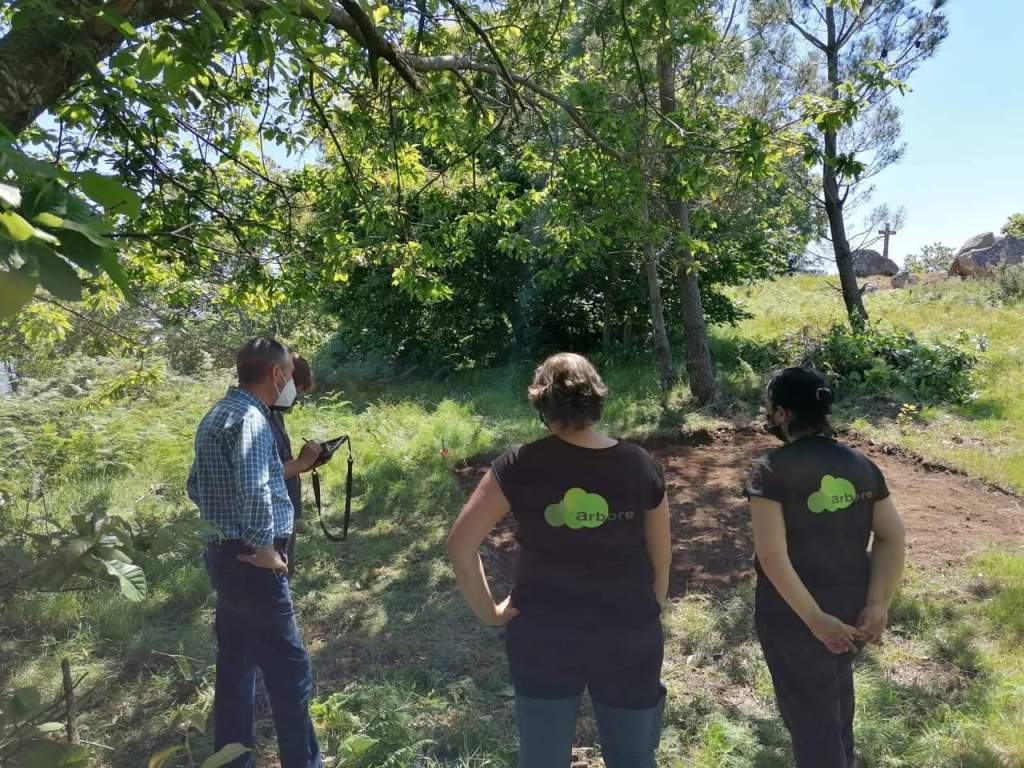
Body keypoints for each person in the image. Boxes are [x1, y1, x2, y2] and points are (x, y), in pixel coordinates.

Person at [446, 353, 672, 768]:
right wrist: (651, 607)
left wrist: (491, 614)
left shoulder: (519, 464)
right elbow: (662, 557)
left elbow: (461, 546)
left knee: (542, 758)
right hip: (629, 633)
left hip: (543, 636)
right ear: (597, 399)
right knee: (634, 757)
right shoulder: (640, 464)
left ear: (542, 404)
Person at [746, 367, 906, 768]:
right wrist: (877, 604)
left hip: (793, 619)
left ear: (781, 414)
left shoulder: (770, 469)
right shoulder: (860, 463)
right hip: (852, 610)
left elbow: (772, 555)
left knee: (811, 722)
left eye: (770, 409)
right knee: (834, 698)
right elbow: (892, 536)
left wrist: (815, 620)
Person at [187, 337, 324, 768]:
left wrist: (225, 525)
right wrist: (264, 548)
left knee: (236, 663)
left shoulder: (218, 414)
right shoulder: (252, 420)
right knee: (290, 671)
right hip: (253, 562)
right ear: (277, 374)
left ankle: (231, 760)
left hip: (224, 555)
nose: (291, 383)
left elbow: (195, 486)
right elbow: (254, 490)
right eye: (289, 374)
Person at [266, 352, 317, 576]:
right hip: (268, 523)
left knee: (285, 574)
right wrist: (301, 463)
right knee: (275, 580)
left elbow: (277, 463)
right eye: (297, 389)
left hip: (284, 511)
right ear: (281, 377)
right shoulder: (254, 419)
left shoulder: (274, 413)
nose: (295, 397)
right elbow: (258, 477)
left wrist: (305, 462)